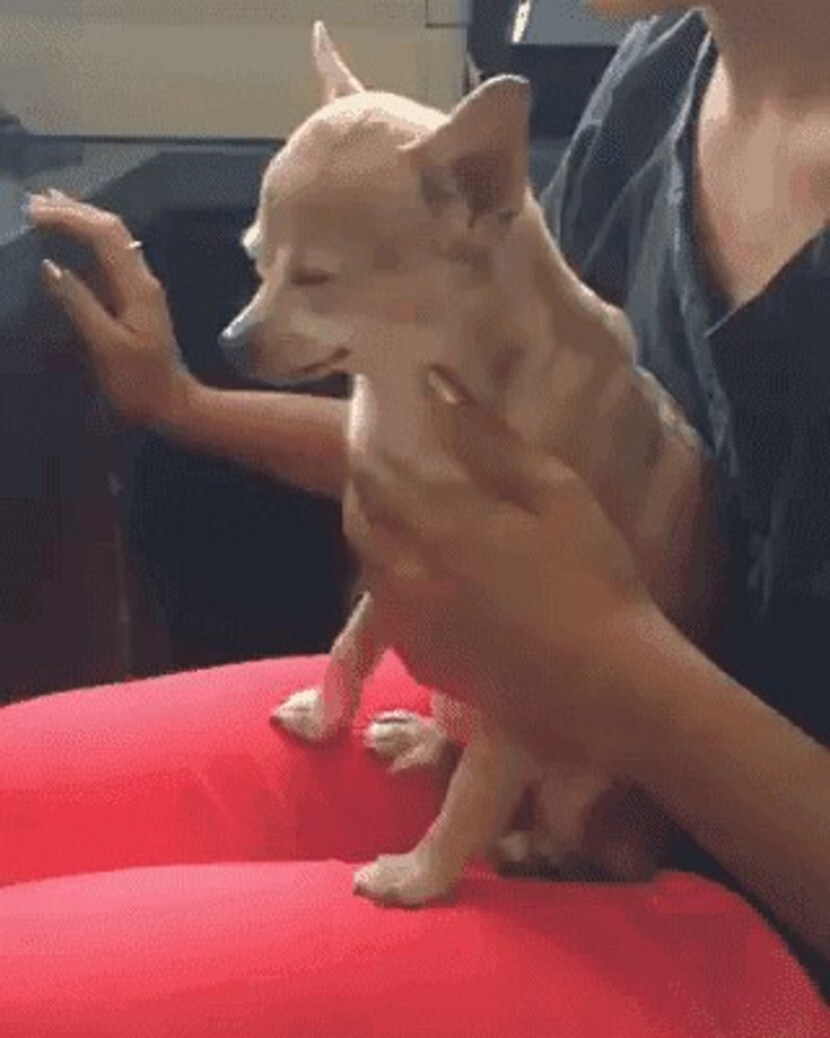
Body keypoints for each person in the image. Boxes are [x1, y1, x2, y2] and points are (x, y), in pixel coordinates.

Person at [2, 2, 828, 1031]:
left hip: (746, 896)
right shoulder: (664, 72)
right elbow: (495, 461)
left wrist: (608, 661)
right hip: (544, 726)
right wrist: (185, 408)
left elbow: (561, 598)